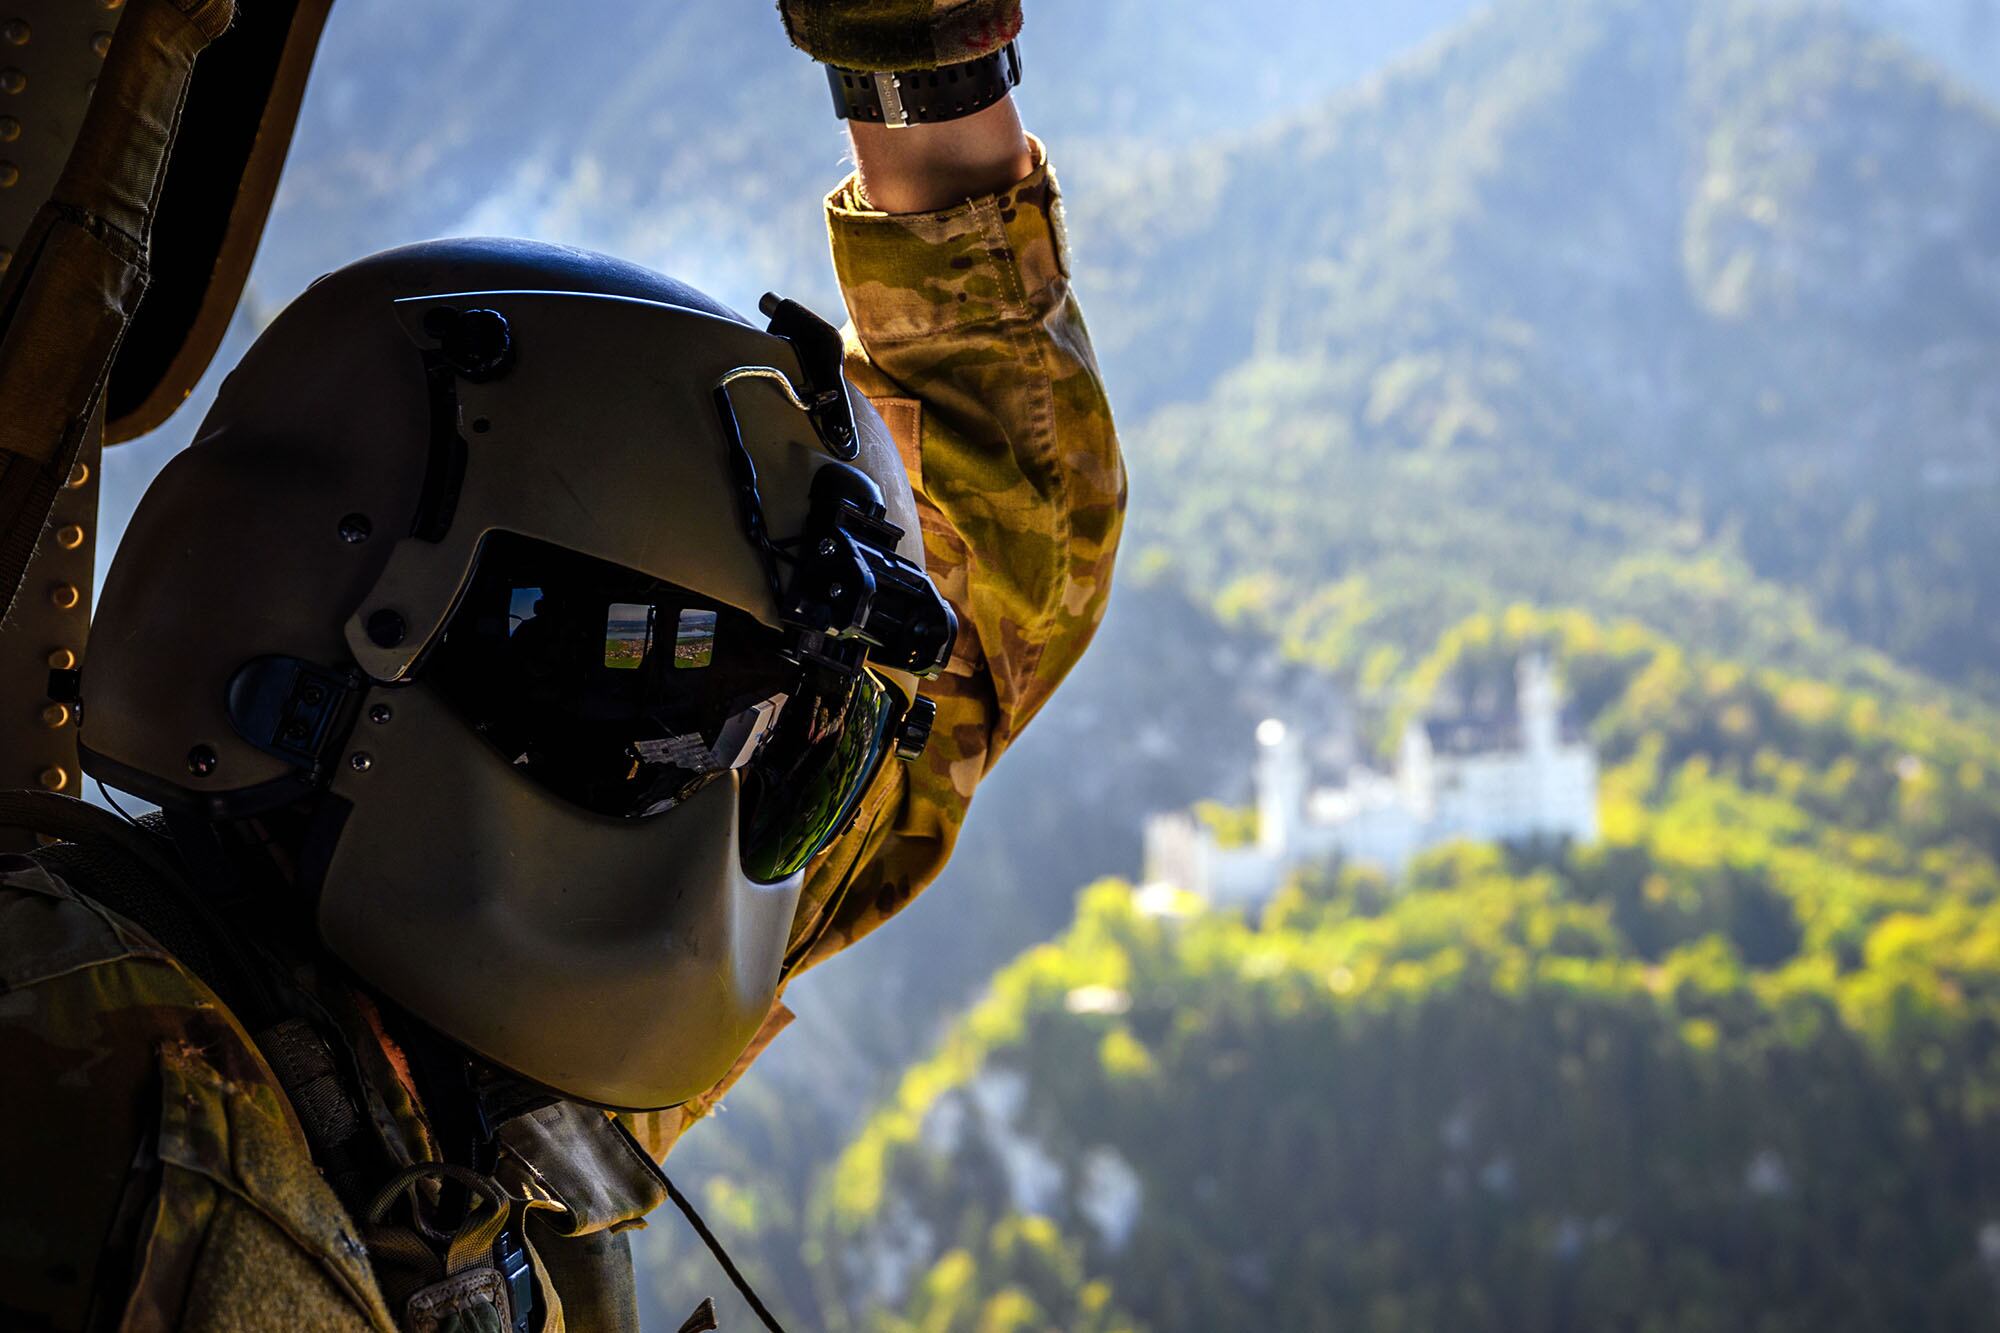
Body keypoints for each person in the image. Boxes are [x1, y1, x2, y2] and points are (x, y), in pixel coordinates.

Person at [0, 1, 1124, 1327]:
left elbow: (992, 551)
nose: (742, 787)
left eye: (805, 752)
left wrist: (919, 62)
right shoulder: (121, 1113)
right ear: (383, 660)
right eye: (668, 703)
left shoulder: (481, 1051)